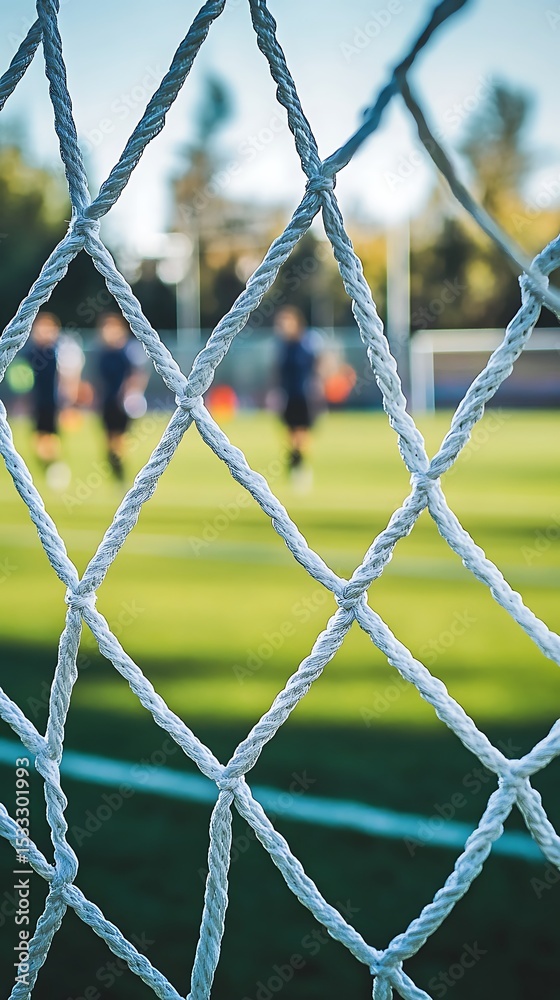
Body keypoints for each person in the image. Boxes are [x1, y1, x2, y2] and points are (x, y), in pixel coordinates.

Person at [96, 312, 146, 481]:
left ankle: (122, 475)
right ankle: (117, 473)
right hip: (107, 402)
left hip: (122, 403)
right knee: (109, 442)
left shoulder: (128, 350)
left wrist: (130, 394)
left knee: (119, 440)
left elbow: (137, 374)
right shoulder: (103, 353)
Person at [274, 305, 320, 483]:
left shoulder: (307, 343)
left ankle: (299, 466)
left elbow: (317, 363)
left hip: (304, 396)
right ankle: (295, 465)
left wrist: (317, 384)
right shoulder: (284, 347)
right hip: (288, 396)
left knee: (301, 434)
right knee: (291, 434)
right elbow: (278, 371)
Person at [25, 312, 70, 486]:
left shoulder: (57, 351)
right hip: (37, 402)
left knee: (50, 437)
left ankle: (54, 468)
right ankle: (51, 467)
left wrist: (66, 401)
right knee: (37, 439)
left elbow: (65, 377)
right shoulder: (29, 352)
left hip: (52, 403)